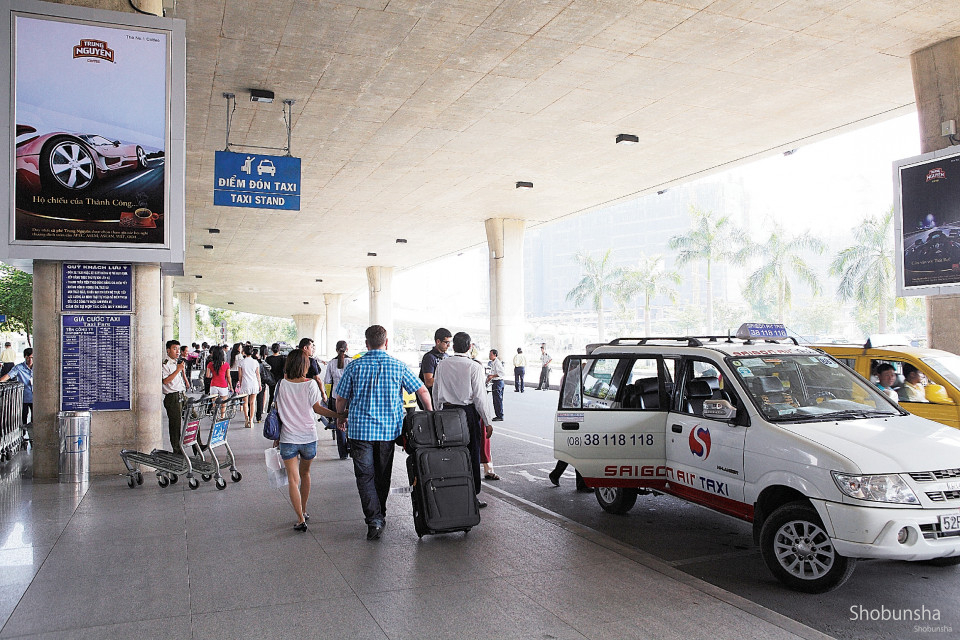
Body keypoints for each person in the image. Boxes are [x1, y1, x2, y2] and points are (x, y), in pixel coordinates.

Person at [335, 325, 432, 540]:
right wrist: (431, 414)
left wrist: (340, 417)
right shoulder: (398, 365)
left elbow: (340, 398)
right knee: (382, 474)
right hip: (388, 432)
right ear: (386, 342)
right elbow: (422, 390)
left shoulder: (354, 366)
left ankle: (374, 519)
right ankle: (381, 513)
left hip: (360, 431)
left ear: (367, 343)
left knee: (364, 476)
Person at [274, 348, 342, 532]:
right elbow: (318, 409)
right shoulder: (310, 384)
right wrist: (338, 415)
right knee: (305, 475)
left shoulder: (281, 384)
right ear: (305, 365)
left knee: (292, 480)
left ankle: (299, 519)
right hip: (308, 438)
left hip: (288, 438)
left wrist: (276, 438)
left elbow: (278, 411)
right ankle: (304, 510)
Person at [433, 331, 495, 508]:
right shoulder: (474, 367)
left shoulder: (442, 365)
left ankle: (451, 494)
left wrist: (438, 415)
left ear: (453, 346)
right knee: (471, 454)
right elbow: (479, 398)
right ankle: (472, 495)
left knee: (450, 455)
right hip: (466, 414)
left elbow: (436, 393)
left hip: (446, 414)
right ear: (469, 347)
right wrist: (487, 421)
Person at [323, 340, 351, 460]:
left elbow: (327, 381)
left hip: (336, 397)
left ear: (336, 349)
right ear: (347, 348)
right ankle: (352, 448)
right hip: (350, 397)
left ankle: (342, 453)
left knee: (339, 424)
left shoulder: (331, 363)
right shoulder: (352, 362)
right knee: (351, 424)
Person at [160, 340, 188, 454]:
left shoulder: (177, 363)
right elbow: (166, 381)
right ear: (168, 350)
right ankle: (177, 450)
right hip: (173, 397)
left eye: (178, 349)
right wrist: (178, 370)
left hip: (182, 395)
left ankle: (198, 445)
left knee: (193, 418)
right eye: (174, 348)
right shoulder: (165, 364)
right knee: (175, 425)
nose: (177, 351)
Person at [0, 347, 34, 440]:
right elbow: (8, 375)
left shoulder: (39, 367)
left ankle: (33, 437)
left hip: (36, 399)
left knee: (35, 419)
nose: (30, 360)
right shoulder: (19, 367)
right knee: (22, 417)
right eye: (28, 357)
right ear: (25, 357)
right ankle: (22, 437)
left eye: (32, 358)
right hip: (24, 397)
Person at [418, 328, 451, 409]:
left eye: (450, 342)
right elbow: (428, 382)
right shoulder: (429, 357)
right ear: (438, 341)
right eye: (446, 342)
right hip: (431, 399)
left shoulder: (446, 356)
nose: (449, 345)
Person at [237, 345, 262, 427]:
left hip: (245, 384)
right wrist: (260, 384)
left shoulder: (241, 362)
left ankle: (246, 418)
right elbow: (258, 374)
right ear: (252, 352)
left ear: (244, 352)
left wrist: (240, 384)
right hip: (254, 383)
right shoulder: (255, 362)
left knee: (245, 403)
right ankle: (251, 420)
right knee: (252, 402)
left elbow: (240, 376)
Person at [265, 343, 286, 412]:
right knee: (280, 395)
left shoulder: (268, 359)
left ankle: (270, 410)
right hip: (280, 379)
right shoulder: (283, 358)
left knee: (271, 394)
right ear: (279, 349)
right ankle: (280, 409)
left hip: (271, 379)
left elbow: (267, 370)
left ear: (271, 349)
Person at [486, 349, 505, 421]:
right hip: (496, 382)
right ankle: (498, 414)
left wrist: (492, 376)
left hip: (498, 382)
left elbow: (502, 373)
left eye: (490, 355)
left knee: (497, 400)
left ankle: (500, 415)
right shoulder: (493, 363)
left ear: (495, 355)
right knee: (496, 399)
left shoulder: (497, 363)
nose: (489, 356)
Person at [254, 347, 268, 423]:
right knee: (259, 400)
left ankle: (249, 416)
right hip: (260, 383)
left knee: (251, 401)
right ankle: (258, 417)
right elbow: (269, 367)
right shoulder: (260, 363)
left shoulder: (247, 362)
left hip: (251, 383)